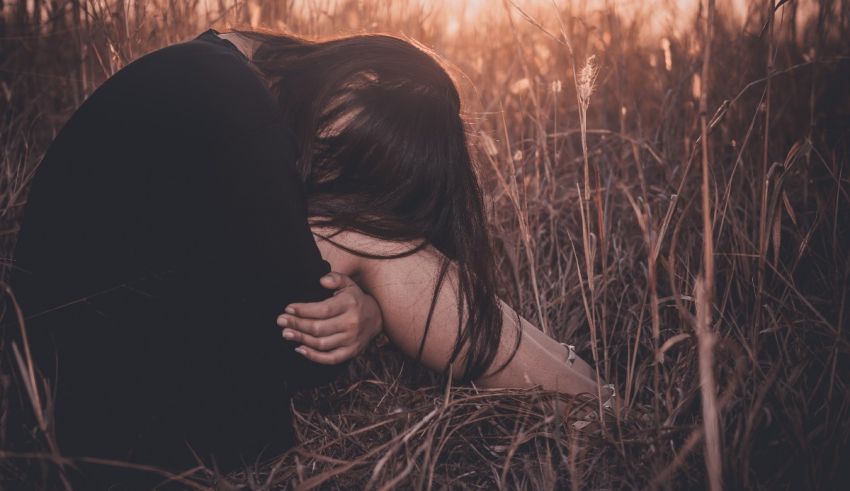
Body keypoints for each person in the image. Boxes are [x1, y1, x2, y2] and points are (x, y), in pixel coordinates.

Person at [4, 28, 611, 488]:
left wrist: (369, 307)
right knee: (381, 243)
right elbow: (306, 336)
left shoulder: (226, 64)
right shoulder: (244, 117)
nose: (328, 164)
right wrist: (370, 305)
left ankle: (580, 387)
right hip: (101, 412)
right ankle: (584, 395)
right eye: (344, 153)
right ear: (358, 82)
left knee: (369, 239)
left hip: (68, 374)